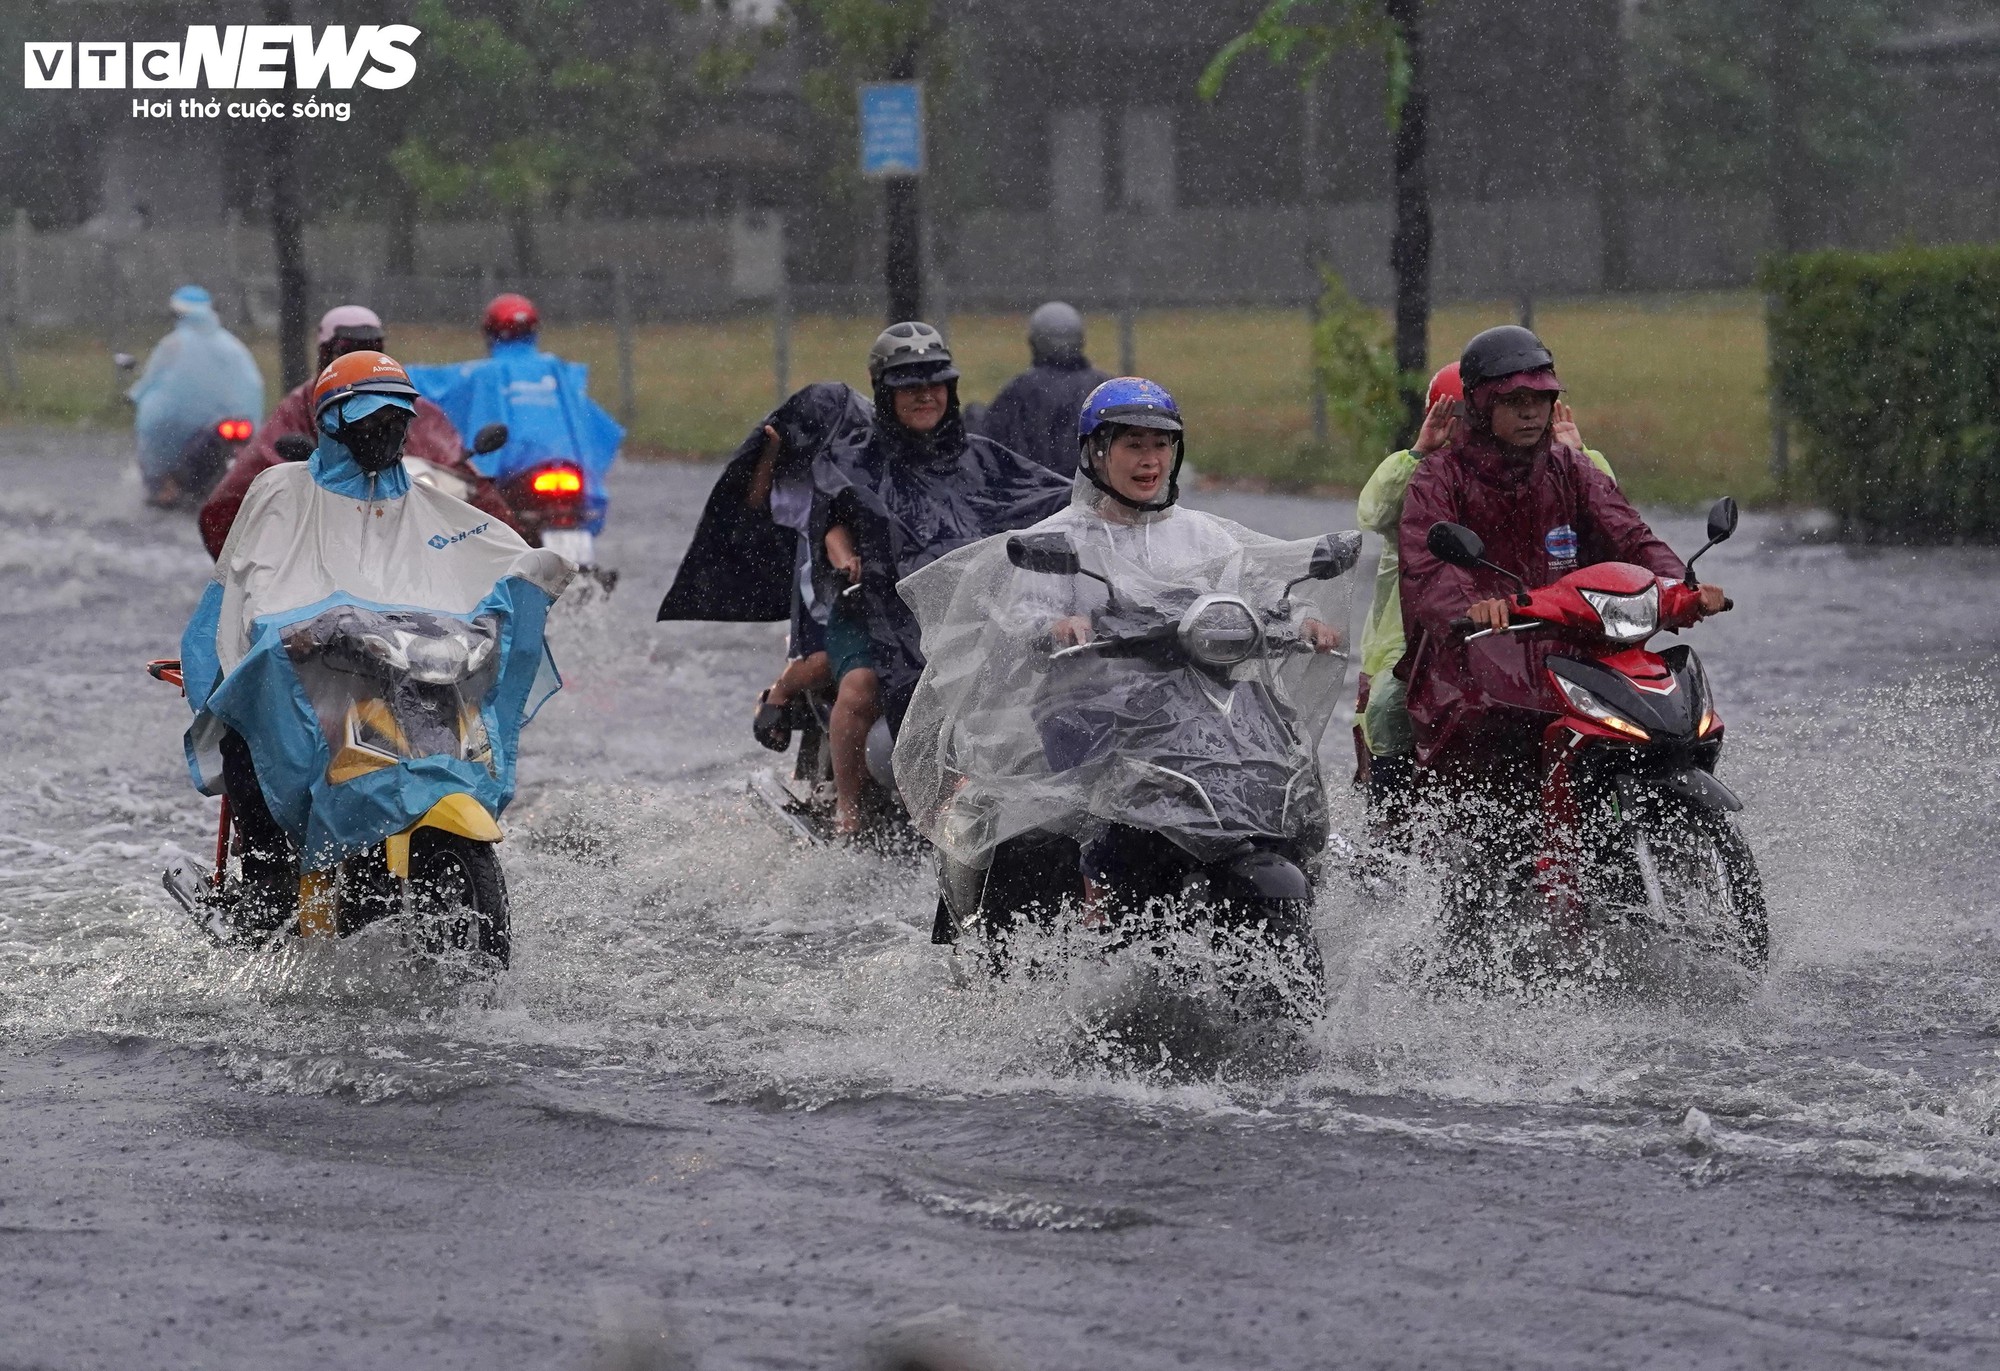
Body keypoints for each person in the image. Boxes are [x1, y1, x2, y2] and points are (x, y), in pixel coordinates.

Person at [892, 376, 1353, 905]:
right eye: (1134, 444)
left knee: (1277, 762)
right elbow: (1024, 613)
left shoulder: (1203, 535)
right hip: (1093, 714)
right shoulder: (1062, 538)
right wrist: (1054, 625)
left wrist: (1303, 620)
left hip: (1201, 716)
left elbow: (1260, 590)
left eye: (1161, 444)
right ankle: (1100, 889)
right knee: (1048, 836)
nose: (1149, 459)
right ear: (1097, 452)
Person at [182, 350, 571, 928]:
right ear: (331, 423)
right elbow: (254, 587)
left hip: (396, 665)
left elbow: (492, 553)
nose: (383, 430)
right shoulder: (282, 491)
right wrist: (292, 629)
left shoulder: (431, 504)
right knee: (247, 722)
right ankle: (267, 877)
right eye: (369, 418)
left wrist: (533, 576)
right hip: (304, 664)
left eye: (395, 417)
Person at [1395, 325, 1726, 802]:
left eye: (1541, 398)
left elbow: (1629, 535)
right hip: (1477, 658)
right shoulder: (1438, 477)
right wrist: (1473, 608)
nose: (1531, 411)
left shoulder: (1571, 468)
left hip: (1576, 650)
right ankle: (1465, 837)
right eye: (1515, 400)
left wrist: (1680, 585)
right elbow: (1429, 568)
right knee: (1482, 744)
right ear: (1482, 405)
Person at [813, 321, 1071, 836]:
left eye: (935, 383)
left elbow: (1051, 498)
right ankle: (849, 809)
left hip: (979, 615)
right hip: (882, 615)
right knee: (863, 689)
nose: (925, 396)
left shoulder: (984, 458)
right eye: (910, 386)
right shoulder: (857, 463)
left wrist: (1112, 505)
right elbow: (831, 519)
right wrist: (847, 558)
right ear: (884, 392)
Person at [1354, 360, 1616, 845]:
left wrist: (1579, 456)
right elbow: (1374, 512)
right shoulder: (1431, 479)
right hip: (1421, 642)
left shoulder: (1539, 473)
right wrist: (1418, 453)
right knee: (1390, 706)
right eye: (1456, 421)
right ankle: (1389, 837)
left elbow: (1610, 517)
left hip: (1530, 631)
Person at [654, 382, 874, 751]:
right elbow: (786, 512)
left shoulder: (865, 469)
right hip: (820, 582)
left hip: (875, 578)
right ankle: (779, 694)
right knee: (824, 659)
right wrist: (770, 452)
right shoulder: (799, 479)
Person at [197, 305, 515, 559]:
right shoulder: (298, 409)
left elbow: (464, 480)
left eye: (371, 349)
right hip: (324, 547)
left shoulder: (414, 407)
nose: (359, 360)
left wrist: (509, 553)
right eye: (346, 351)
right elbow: (229, 505)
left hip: (414, 544)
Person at [405, 293, 623, 561]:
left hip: (511, 475)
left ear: (490, 331)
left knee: (481, 518)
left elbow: (432, 385)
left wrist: (381, 371)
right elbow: (595, 423)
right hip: (566, 466)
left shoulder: (482, 372)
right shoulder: (557, 370)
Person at [127, 285, 264, 507]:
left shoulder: (173, 344)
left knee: (156, 436)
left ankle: (166, 487)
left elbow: (152, 380)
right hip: (237, 419)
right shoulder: (232, 345)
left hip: (187, 424)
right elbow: (253, 383)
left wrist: (136, 395)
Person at [977, 302, 1109, 477]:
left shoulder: (1019, 389)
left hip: (1035, 488)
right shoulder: (1105, 387)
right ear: (1081, 339)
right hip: (1092, 489)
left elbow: (990, 444)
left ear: (1034, 341)